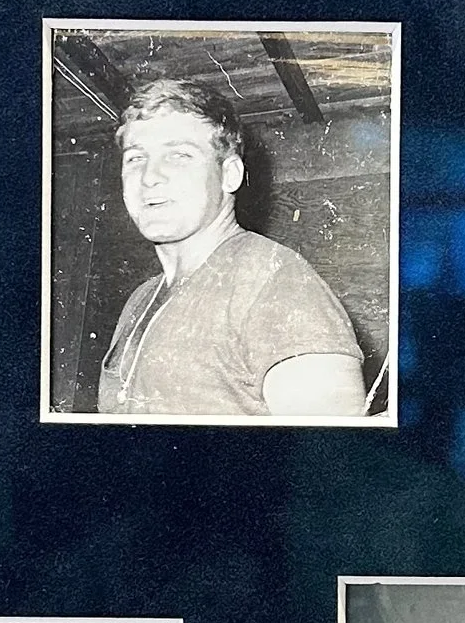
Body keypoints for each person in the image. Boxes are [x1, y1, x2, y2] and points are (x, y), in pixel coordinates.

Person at [93, 78, 368, 420]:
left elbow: (331, 461)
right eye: (136, 158)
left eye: (178, 155)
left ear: (230, 175)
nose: (150, 176)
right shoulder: (141, 299)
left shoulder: (277, 282)